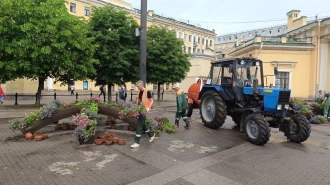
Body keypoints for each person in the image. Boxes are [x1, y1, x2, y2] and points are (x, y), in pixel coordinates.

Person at [130, 80, 155, 148]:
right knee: (143, 125)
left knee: (139, 125)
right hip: (140, 110)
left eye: (138, 86)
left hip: (144, 110)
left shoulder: (147, 91)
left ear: (142, 85)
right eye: (137, 86)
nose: (137, 87)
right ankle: (151, 135)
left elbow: (152, 100)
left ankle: (137, 142)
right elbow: (139, 100)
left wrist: (149, 107)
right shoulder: (139, 91)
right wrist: (136, 108)